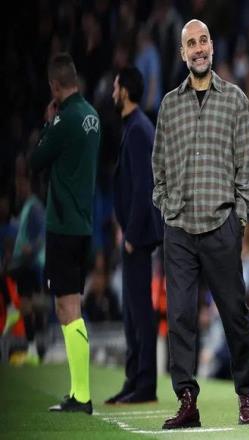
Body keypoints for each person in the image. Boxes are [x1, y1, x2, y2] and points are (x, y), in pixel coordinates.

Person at [152, 19, 249, 429]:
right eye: (191, 44)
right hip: (179, 228)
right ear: (182, 54)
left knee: (234, 315)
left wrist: (238, 218)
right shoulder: (169, 105)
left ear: (212, 46)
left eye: (203, 41)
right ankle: (187, 401)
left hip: (220, 226)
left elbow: (247, 168)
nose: (198, 48)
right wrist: (166, 207)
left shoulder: (236, 100)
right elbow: (159, 166)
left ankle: (246, 395)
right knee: (179, 316)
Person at [30, 52, 100, 414]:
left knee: (68, 308)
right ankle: (77, 392)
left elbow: (35, 162)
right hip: (83, 225)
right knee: (69, 307)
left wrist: (47, 123)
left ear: (55, 86)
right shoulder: (92, 116)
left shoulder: (64, 119)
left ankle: (82, 396)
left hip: (63, 225)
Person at [105, 66, 163, 404]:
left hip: (137, 238)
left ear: (125, 91)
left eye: (116, 87)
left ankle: (145, 384)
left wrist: (131, 234)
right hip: (131, 234)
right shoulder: (134, 127)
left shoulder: (139, 129)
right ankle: (133, 380)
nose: (113, 93)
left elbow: (144, 187)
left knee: (140, 312)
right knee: (130, 312)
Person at [7, 156, 45, 365]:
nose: (18, 188)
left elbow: (41, 235)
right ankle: (32, 349)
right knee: (28, 306)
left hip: (30, 264)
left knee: (25, 303)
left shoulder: (34, 207)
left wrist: (31, 248)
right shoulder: (27, 207)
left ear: (28, 184)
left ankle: (12, 309)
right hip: (26, 263)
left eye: (21, 184)